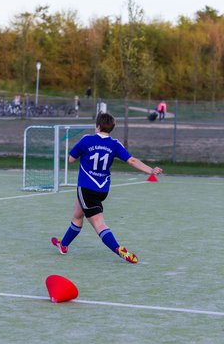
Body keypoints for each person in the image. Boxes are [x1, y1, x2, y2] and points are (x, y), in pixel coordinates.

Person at [51, 112, 163, 264]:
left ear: (97, 126)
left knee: (98, 223)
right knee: (78, 215)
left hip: (86, 187)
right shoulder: (115, 144)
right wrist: (150, 170)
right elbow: (131, 160)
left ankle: (118, 249)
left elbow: (71, 159)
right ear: (112, 128)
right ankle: (63, 244)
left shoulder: (87, 140)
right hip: (102, 189)